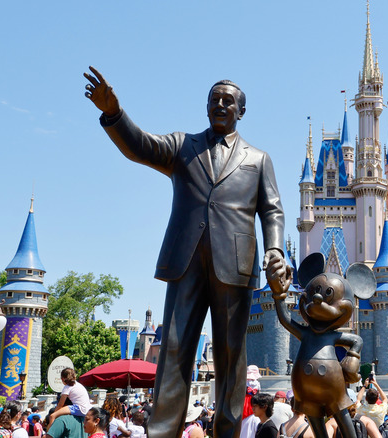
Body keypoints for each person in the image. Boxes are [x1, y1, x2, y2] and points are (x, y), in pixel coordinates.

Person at [83, 66, 289, 438]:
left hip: (237, 266)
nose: (221, 104)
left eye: (229, 100)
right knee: (175, 352)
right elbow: (140, 146)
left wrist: (275, 248)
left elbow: (272, 210)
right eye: (215, 99)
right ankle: (162, 432)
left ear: (241, 111)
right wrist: (114, 113)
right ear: (206, 107)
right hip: (186, 262)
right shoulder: (183, 146)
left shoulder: (258, 160)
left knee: (231, 358)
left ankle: (226, 433)